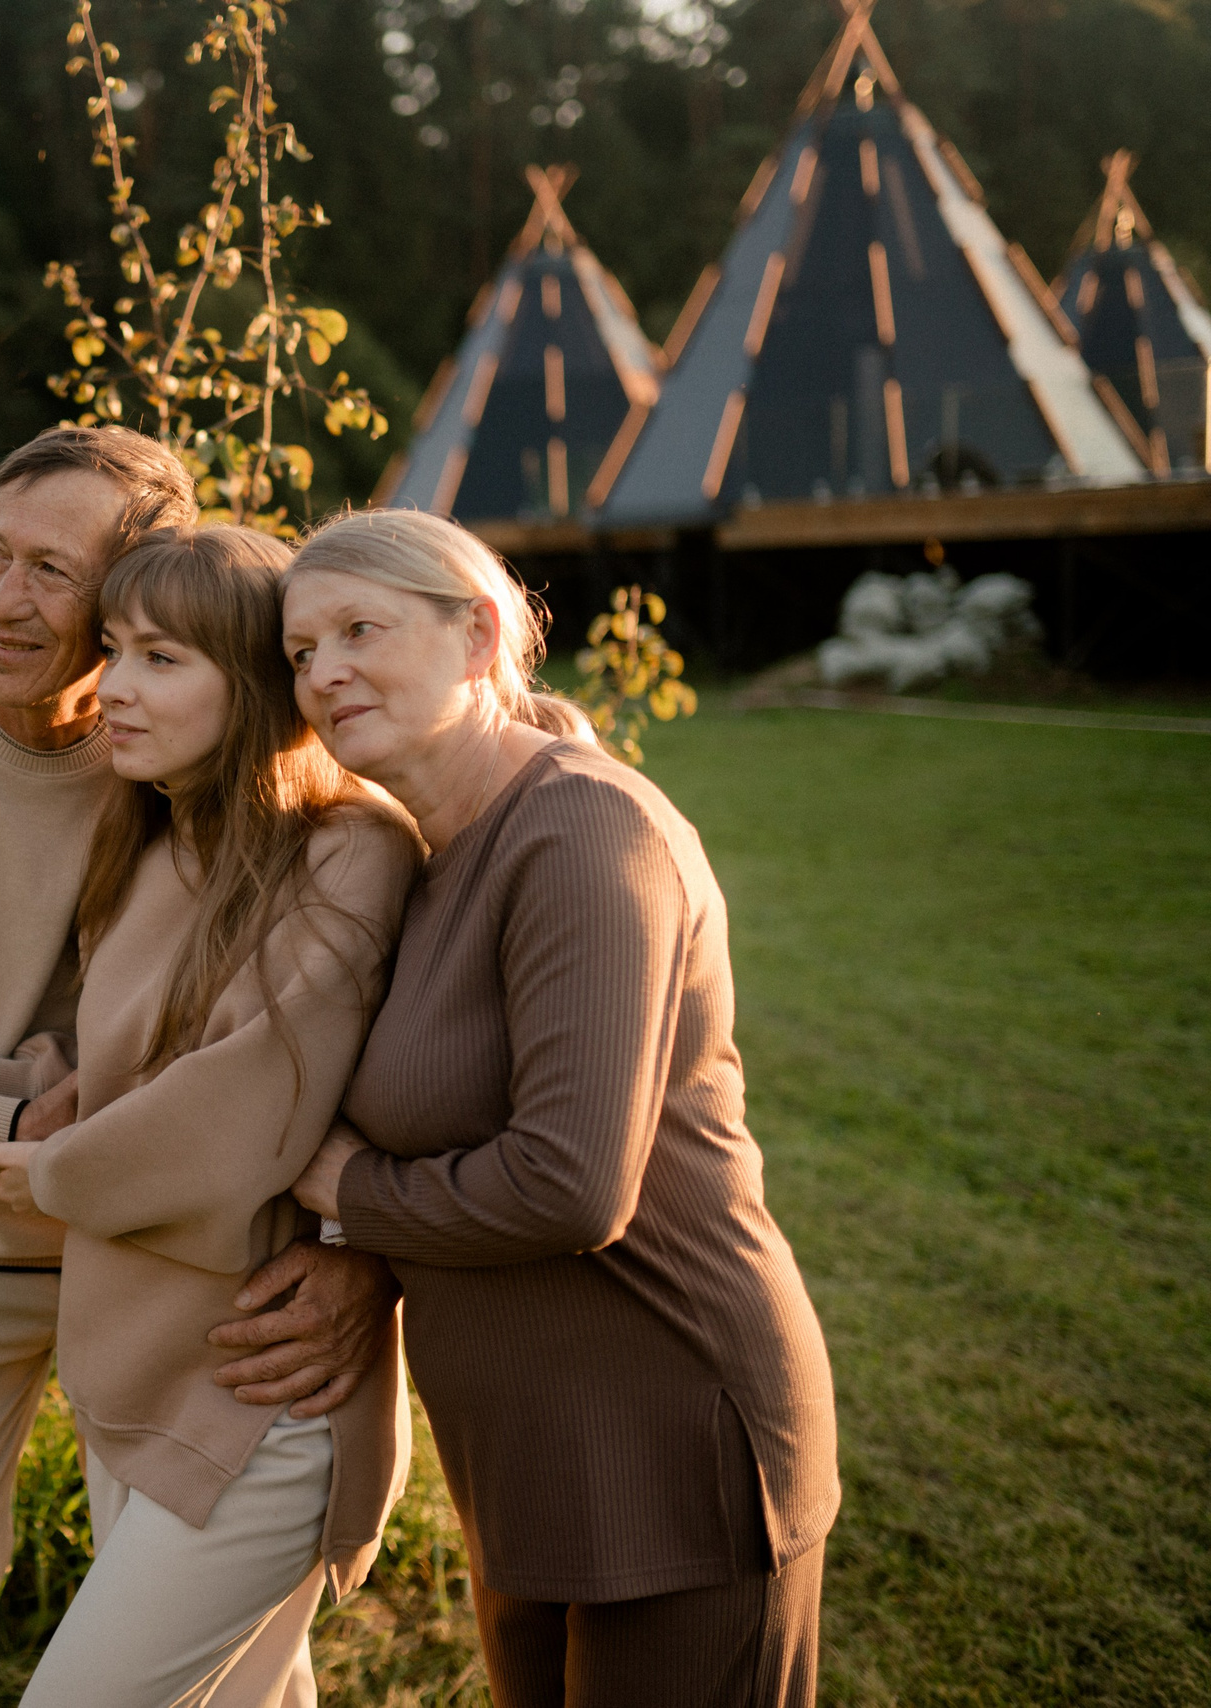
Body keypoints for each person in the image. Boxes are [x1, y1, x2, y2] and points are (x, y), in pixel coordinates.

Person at [0, 428, 396, 1708]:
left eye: (53, 571)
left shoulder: (169, 746)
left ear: (125, 596)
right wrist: (3, 1111)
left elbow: (242, 1033)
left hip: (170, 1259)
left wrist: (354, 1244)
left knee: (211, 1634)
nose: (4, 598)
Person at [277, 508, 839, 1708]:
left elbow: (568, 1184)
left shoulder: (584, 829)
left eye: (358, 629)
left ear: (478, 634)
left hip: (673, 1439)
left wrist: (344, 1191)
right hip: (534, 1455)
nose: (322, 671)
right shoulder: (428, 848)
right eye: (299, 650)